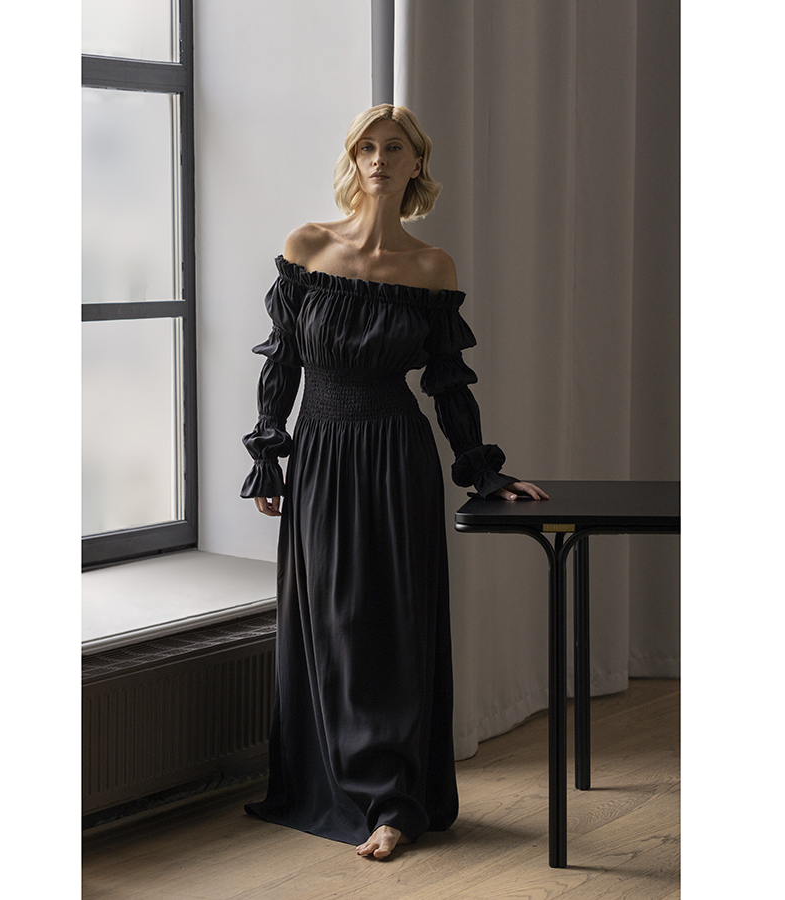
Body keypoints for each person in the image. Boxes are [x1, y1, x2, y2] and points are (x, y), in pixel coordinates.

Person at [240, 104, 548, 860]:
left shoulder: (431, 267)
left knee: (394, 627)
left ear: (417, 164)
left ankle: (394, 802)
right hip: (321, 455)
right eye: (367, 148)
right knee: (333, 620)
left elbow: (447, 381)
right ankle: (332, 784)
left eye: (395, 148)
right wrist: (270, 452)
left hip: (395, 459)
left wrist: (482, 469)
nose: (379, 159)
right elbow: (283, 361)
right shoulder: (307, 247)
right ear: (354, 160)